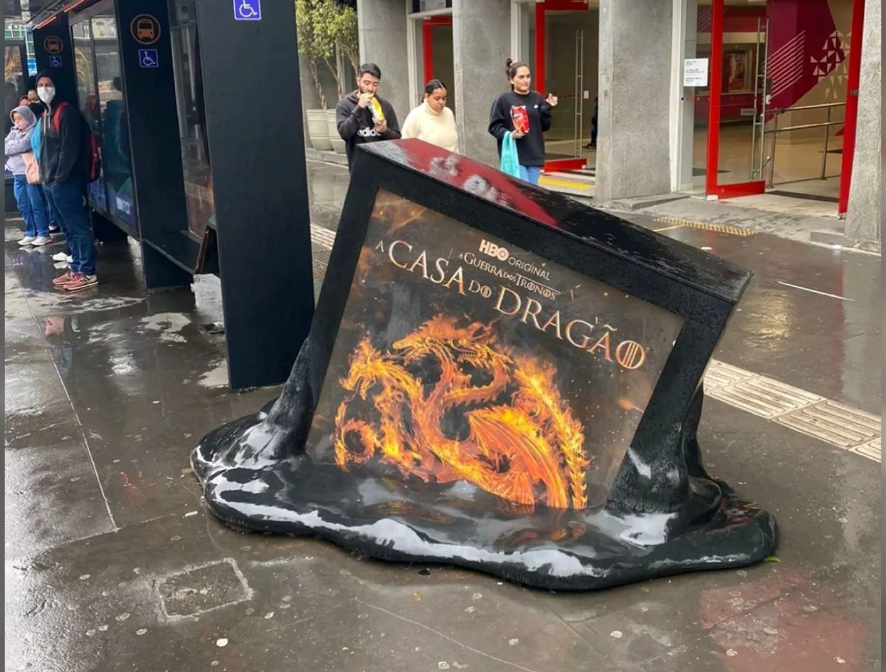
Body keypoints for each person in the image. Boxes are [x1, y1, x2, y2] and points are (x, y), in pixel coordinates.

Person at [35, 71, 98, 292]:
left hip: (65, 182)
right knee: (68, 229)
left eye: (48, 84)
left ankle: (87, 272)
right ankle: (76, 267)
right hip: (51, 181)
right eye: (41, 85)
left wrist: (59, 179)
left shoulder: (66, 113)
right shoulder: (46, 113)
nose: (44, 89)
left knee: (77, 227)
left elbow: (68, 150)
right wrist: (47, 178)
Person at [488, 59, 558, 186]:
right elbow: (494, 127)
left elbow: (544, 126)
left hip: (534, 154)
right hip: (515, 156)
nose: (526, 80)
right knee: (524, 192)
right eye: (521, 77)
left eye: (528, 76)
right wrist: (510, 134)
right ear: (512, 80)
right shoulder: (503, 100)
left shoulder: (537, 97)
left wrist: (547, 108)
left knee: (531, 193)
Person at [336, 63, 401, 172]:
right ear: (358, 81)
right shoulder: (344, 105)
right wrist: (359, 107)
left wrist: (385, 131)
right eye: (366, 83)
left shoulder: (385, 106)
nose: (370, 88)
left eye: (375, 84)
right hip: (359, 168)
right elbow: (344, 133)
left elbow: (397, 138)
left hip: (384, 168)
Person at [5, 105, 51, 246]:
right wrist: (14, 145)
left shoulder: (33, 131)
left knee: (36, 205)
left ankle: (43, 233)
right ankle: (31, 232)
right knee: (23, 205)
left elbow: (24, 145)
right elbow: (5, 148)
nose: (17, 122)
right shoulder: (13, 131)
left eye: (20, 118)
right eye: (15, 119)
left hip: (30, 174)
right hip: (17, 174)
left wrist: (13, 145)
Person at [401, 79, 458, 152]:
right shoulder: (416, 115)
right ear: (427, 97)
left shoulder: (449, 113)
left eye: (443, 98)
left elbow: (455, 146)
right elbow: (405, 145)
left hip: (451, 158)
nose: (441, 102)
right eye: (437, 98)